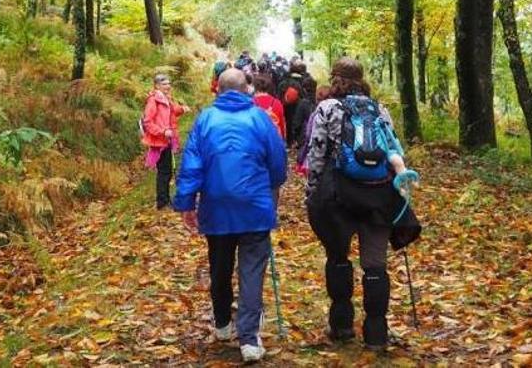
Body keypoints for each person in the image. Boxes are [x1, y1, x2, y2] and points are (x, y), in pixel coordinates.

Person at [173, 69, 287, 363]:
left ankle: (223, 324)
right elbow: (278, 163)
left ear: (218, 90)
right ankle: (249, 339)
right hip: (255, 207)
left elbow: (191, 165)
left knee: (220, 266)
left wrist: (186, 203)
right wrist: (271, 189)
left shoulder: (205, 119)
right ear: (247, 89)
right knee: (251, 271)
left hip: (217, 207)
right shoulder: (260, 118)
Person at [304, 58, 417, 350]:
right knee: (375, 264)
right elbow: (392, 150)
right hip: (378, 197)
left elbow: (316, 155)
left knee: (339, 258)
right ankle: (377, 334)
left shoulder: (327, 109)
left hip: (338, 197)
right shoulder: (380, 110)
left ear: (336, 79)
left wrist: (313, 192)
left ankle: (342, 326)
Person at [141, 73, 190, 209]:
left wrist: (183, 109)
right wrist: (162, 131)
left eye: (169, 84)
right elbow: (147, 122)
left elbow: (173, 110)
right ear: (157, 85)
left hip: (166, 140)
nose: (168, 86)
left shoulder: (165, 98)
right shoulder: (153, 101)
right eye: (164, 84)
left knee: (166, 170)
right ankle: (162, 202)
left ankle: (165, 199)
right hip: (159, 141)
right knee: (164, 171)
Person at [251, 74, 286, 139]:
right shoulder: (277, 103)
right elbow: (281, 125)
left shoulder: (250, 103)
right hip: (273, 140)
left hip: (256, 140)